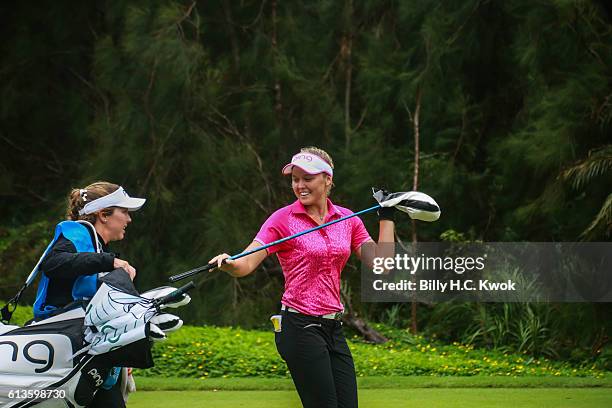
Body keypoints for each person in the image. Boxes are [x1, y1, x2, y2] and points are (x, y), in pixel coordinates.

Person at [209, 147, 395, 408]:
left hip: (333, 327)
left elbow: (383, 264)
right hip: (299, 325)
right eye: (295, 179)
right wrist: (229, 263)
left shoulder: (347, 219)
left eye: (307, 178)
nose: (299, 185)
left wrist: (386, 216)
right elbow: (247, 262)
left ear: (327, 179)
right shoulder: (282, 219)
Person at [32, 181, 146, 408]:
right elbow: (54, 263)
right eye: (124, 212)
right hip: (63, 346)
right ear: (104, 214)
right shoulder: (78, 234)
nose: (129, 219)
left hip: (87, 350)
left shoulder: (97, 246)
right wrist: (110, 261)